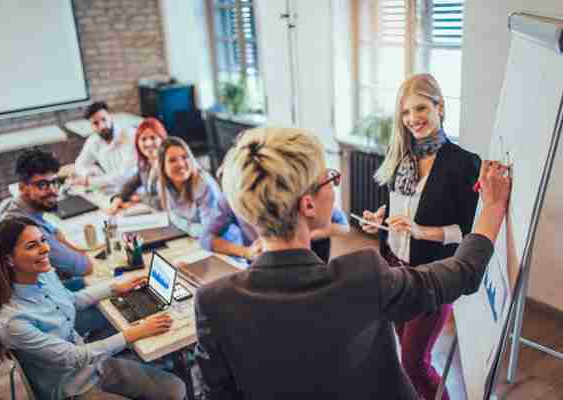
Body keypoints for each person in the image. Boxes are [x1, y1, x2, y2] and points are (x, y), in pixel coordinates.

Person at [193, 126, 510, 399]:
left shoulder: (213, 302)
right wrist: (494, 206)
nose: (333, 183)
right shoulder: (362, 276)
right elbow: (463, 272)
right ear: (307, 204)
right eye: (329, 178)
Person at [361, 73, 480, 400]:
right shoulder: (402, 156)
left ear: (439, 106)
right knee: (404, 356)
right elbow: (397, 205)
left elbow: (470, 233)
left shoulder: (463, 163)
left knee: (414, 363)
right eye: (405, 112)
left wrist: (422, 231)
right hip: (395, 271)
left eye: (420, 108)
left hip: (433, 276)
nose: (412, 119)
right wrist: (379, 218)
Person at [0, 217, 186, 400]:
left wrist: (115, 287)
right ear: (9, 259)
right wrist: (133, 334)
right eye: (32, 246)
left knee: (175, 389)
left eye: (43, 240)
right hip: (73, 389)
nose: (45, 249)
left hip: (93, 365)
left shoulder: (43, 275)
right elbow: (75, 357)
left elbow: (71, 300)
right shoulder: (13, 321)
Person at [0, 149, 92, 279]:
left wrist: (62, 241)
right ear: (22, 187)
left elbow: (55, 232)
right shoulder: (25, 230)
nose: (54, 191)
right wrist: (81, 254)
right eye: (42, 185)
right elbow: (84, 267)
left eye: (56, 182)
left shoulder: (9, 204)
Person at [201, 188, 350, 264]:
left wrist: (305, 234)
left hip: (309, 258)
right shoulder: (230, 198)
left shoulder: (299, 189)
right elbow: (206, 239)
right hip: (261, 264)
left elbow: (343, 225)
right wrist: (247, 252)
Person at [157, 136, 222, 238]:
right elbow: (172, 217)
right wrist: (190, 228)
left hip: (220, 242)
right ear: (162, 167)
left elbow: (210, 231)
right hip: (190, 239)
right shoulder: (164, 185)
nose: (181, 164)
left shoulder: (204, 184)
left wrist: (187, 226)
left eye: (185, 157)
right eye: (172, 160)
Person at [72, 101, 138, 190]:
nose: (102, 126)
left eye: (104, 119)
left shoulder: (129, 134)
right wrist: (87, 173)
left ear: (110, 117)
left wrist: (89, 181)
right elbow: (79, 164)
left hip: (136, 190)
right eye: (95, 123)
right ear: (91, 126)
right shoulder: (93, 140)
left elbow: (125, 175)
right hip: (113, 189)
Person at [108, 118, 168, 214]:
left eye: (153, 138)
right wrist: (117, 199)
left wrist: (140, 199)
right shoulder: (145, 164)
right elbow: (130, 185)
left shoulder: (170, 164)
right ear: (137, 143)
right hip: (156, 214)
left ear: (162, 139)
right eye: (143, 139)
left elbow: (164, 203)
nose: (148, 143)